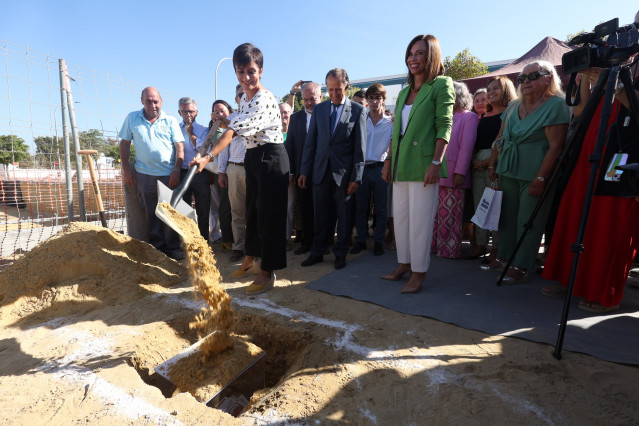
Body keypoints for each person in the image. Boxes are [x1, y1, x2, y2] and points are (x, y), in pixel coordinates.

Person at [191, 43, 289, 295]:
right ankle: (251, 259)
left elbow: (232, 133)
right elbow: (232, 123)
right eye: (240, 71)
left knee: (269, 217)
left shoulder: (265, 99)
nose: (246, 78)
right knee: (252, 213)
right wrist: (223, 120)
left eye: (251, 71)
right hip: (254, 158)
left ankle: (268, 271)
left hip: (272, 159)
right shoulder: (245, 98)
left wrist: (207, 157)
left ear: (261, 71)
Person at [542, 65, 639, 312]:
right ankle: (570, 279)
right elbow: (581, 111)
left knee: (610, 221)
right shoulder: (627, 59)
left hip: (625, 151)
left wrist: (610, 80)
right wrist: (588, 74)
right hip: (592, 147)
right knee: (577, 215)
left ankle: (605, 292)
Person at [481, 60, 570, 283]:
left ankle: (522, 264)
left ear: (548, 77)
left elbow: (556, 147)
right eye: (522, 78)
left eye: (533, 76)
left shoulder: (556, 104)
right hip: (508, 169)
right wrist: (493, 164)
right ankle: (504, 257)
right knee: (507, 219)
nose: (526, 82)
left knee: (528, 221)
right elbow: (500, 138)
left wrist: (541, 177)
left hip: (535, 173)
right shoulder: (513, 106)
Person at [380, 34, 454, 294]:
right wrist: (388, 160)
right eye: (411, 53)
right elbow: (396, 132)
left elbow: (445, 126)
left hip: (425, 165)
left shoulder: (442, 85)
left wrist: (437, 162)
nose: (413, 58)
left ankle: (419, 272)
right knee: (400, 219)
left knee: (420, 222)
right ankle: (403, 264)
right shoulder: (402, 93)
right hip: (400, 164)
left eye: (420, 53)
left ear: (431, 56)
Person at [299, 68, 367, 270]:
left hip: (344, 175)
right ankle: (317, 252)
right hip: (320, 172)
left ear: (346, 86)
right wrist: (304, 171)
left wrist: (357, 177)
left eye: (338, 89)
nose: (335, 94)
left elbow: (360, 148)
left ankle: (340, 254)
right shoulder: (319, 110)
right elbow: (310, 144)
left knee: (344, 216)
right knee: (320, 214)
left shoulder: (357, 110)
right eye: (331, 90)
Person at [119, 87, 185, 260]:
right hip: (144, 174)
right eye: (148, 101)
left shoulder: (170, 121)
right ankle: (158, 248)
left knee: (170, 212)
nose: (152, 105)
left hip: (168, 174)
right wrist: (126, 169)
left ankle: (173, 247)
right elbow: (124, 144)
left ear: (161, 101)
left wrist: (176, 170)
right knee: (151, 212)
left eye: (155, 101)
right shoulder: (132, 118)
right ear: (142, 101)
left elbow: (180, 148)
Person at [467, 76, 517, 260]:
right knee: (480, 205)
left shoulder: (511, 112)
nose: (491, 92)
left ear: (505, 90)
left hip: (496, 164)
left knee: (496, 206)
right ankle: (481, 245)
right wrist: (473, 159)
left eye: (495, 88)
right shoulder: (484, 115)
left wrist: (489, 163)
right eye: (489, 89)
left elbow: (504, 142)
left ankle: (496, 248)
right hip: (477, 164)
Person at [431, 81, 478, 258]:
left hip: (454, 174)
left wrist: (460, 172)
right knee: (435, 215)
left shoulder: (469, 117)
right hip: (436, 173)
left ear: (459, 96)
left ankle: (449, 249)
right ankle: (434, 245)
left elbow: (467, 147)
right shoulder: (443, 116)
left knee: (450, 215)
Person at [351, 83, 392, 256]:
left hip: (381, 168)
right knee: (361, 208)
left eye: (378, 98)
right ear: (367, 100)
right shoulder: (361, 120)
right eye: (371, 98)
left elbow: (393, 145)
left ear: (383, 100)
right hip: (362, 168)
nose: (374, 102)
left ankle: (378, 241)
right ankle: (361, 240)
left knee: (381, 208)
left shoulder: (391, 123)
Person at [286, 81, 322, 255]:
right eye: (306, 99)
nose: (309, 102)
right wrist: (292, 172)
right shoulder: (295, 118)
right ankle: (307, 242)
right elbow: (291, 147)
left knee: (322, 209)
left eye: (312, 98)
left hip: (324, 172)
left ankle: (322, 242)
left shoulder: (328, 115)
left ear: (320, 97)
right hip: (302, 174)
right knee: (306, 209)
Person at [217, 85, 248, 263]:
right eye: (240, 95)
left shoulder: (258, 115)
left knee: (254, 210)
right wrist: (221, 172)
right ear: (235, 99)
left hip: (255, 169)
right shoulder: (231, 120)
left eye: (246, 94)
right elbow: (223, 149)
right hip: (234, 169)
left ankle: (253, 247)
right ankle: (238, 246)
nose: (243, 97)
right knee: (237, 211)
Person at [177, 97, 211, 241]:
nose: (188, 115)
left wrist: (191, 134)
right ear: (180, 112)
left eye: (191, 111)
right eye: (184, 111)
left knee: (203, 210)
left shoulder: (204, 130)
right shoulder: (174, 129)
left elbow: (204, 150)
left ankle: (204, 241)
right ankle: (188, 241)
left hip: (199, 173)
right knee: (184, 211)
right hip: (183, 173)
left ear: (196, 112)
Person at [208, 100, 234, 247]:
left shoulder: (236, 124)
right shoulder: (212, 130)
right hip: (221, 172)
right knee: (225, 206)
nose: (219, 114)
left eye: (222, 111)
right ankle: (227, 239)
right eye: (216, 112)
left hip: (238, 169)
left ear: (228, 110)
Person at [279, 102, 295, 247]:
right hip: (275, 177)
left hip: (291, 176)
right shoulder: (273, 132)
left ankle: (286, 237)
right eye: (281, 112)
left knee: (289, 207)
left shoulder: (295, 131)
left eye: (286, 112)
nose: (284, 115)